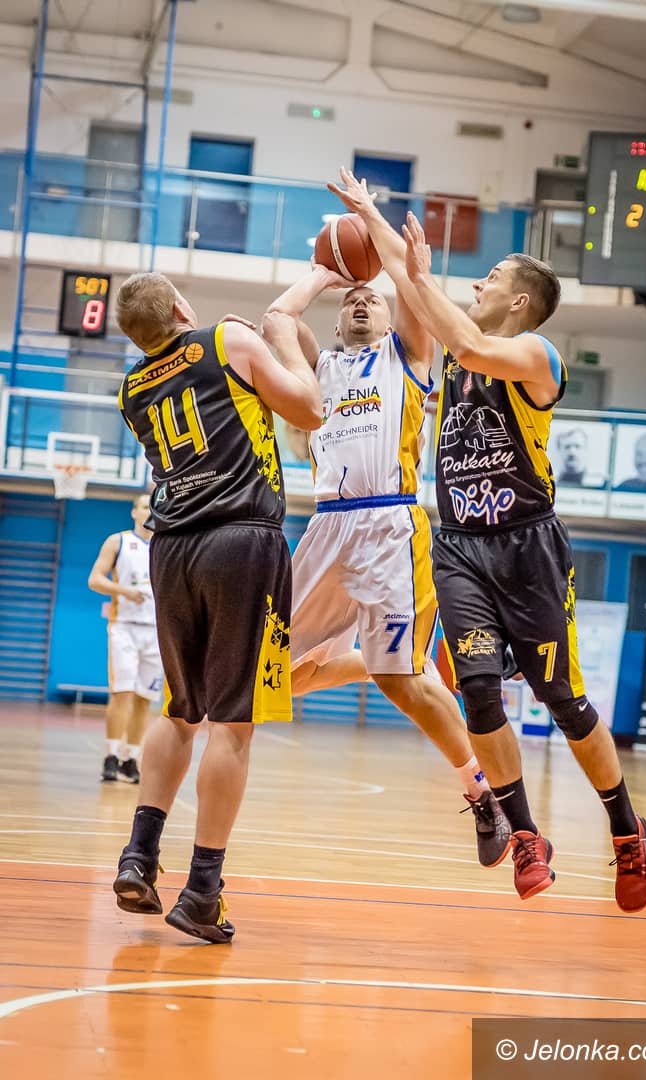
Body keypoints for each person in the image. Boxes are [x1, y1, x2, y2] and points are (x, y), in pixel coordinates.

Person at [331, 168, 646, 912]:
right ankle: (526, 834)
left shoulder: (538, 356)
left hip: (527, 546)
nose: (478, 282)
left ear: (520, 302)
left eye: (493, 277)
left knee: (563, 699)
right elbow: (411, 284)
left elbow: (468, 340)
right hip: (460, 546)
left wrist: (419, 280)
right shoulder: (458, 343)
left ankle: (625, 827)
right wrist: (369, 212)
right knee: (476, 690)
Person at [264, 262, 512, 870]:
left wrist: (382, 248)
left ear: (387, 317)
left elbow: (409, 293)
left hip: (389, 524)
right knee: (270, 676)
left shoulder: (407, 354)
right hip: (326, 525)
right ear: (336, 319)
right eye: (350, 300)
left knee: (403, 683)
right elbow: (278, 320)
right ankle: (372, 661)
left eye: (371, 300)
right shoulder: (319, 366)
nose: (361, 304)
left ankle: (483, 794)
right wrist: (323, 273)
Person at [110, 271, 322, 942]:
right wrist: (284, 342)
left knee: (180, 708)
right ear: (180, 306)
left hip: (171, 548)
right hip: (241, 540)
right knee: (233, 723)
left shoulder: (131, 389)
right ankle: (203, 890)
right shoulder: (226, 340)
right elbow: (310, 410)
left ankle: (139, 855)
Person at [88, 492, 161, 783]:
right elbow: (95, 579)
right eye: (144, 506)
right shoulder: (118, 541)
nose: (148, 511)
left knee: (145, 698)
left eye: (153, 506)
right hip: (124, 627)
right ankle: (110, 755)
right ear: (134, 512)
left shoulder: (166, 545)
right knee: (122, 693)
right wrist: (124, 592)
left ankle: (130, 759)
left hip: (157, 631)